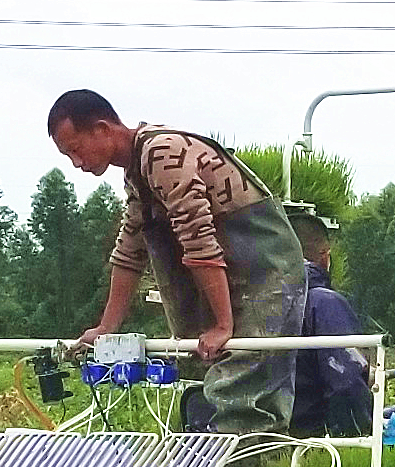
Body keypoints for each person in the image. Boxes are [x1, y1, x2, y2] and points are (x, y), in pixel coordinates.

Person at [47, 89, 308, 435]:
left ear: (102, 129)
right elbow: (129, 252)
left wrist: (222, 326)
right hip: (233, 281)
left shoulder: (162, 153)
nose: (77, 164)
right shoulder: (137, 173)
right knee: (205, 380)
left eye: (76, 150)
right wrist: (105, 328)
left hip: (266, 273)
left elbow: (197, 238)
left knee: (243, 390)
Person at [287, 206, 376, 437]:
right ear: (325, 257)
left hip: (248, 438)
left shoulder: (245, 303)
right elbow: (346, 383)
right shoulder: (323, 303)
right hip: (308, 441)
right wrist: (359, 437)